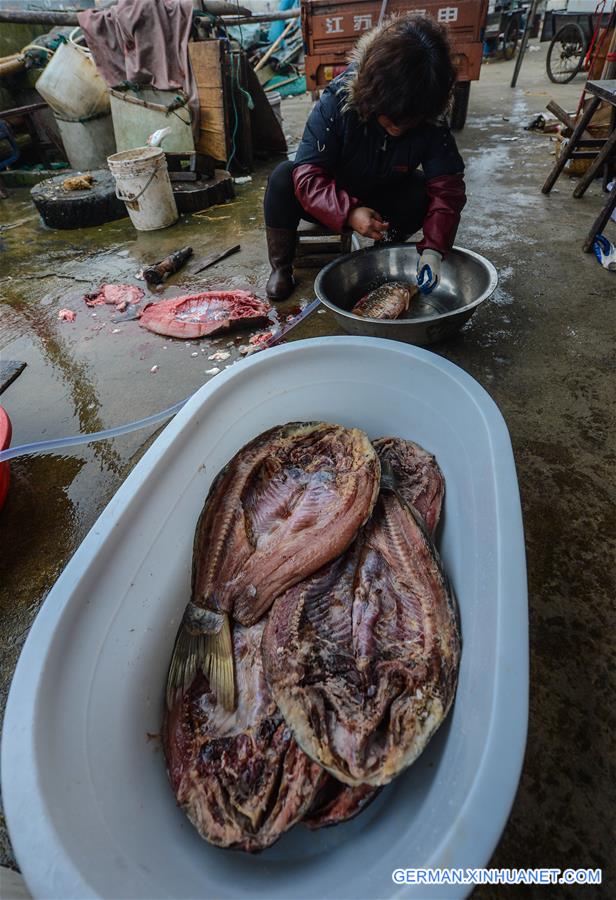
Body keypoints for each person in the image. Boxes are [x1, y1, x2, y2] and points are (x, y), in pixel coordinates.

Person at [263, 14, 467, 301]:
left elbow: (448, 187)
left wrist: (434, 249)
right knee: (284, 177)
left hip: (384, 199)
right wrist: (349, 213)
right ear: (373, 96)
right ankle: (281, 268)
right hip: (330, 199)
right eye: (392, 120)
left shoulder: (429, 110)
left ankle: (382, 252)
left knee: (422, 190)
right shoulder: (338, 99)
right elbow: (309, 176)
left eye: (409, 122)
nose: (398, 129)